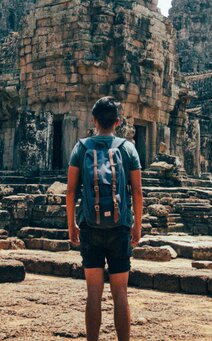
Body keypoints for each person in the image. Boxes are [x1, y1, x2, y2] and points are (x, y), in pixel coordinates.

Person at [66, 97, 143, 341]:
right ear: (118, 122)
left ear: (94, 120)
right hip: (121, 226)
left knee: (93, 293)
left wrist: (71, 226)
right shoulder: (127, 148)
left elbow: (70, 191)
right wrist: (137, 227)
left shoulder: (81, 147)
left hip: (89, 225)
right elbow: (138, 192)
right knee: (120, 292)